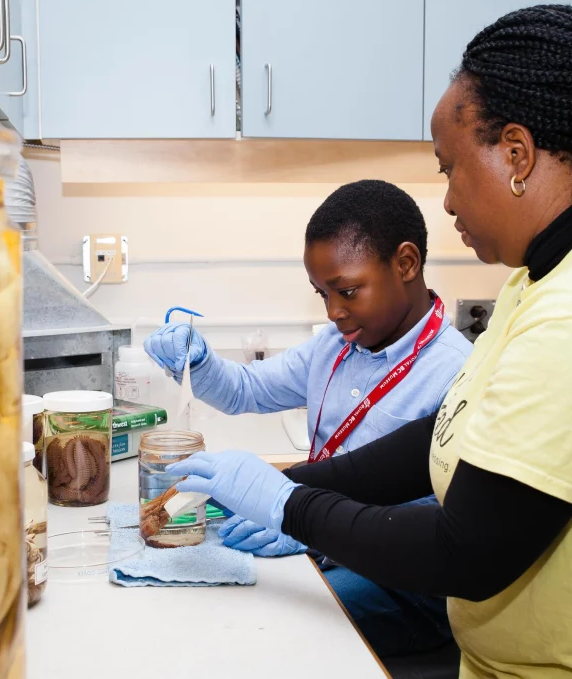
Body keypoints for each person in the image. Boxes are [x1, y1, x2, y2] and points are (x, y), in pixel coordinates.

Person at [168, 5, 572, 677]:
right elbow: (446, 435)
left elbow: (468, 549)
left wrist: (290, 505)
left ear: (516, 153)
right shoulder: (543, 279)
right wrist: (286, 482)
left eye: (448, 167)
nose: (446, 201)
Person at [144, 179, 471, 657]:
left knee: (269, 633)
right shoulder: (336, 345)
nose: (334, 311)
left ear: (406, 263)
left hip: (402, 585)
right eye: (321, 294)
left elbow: (440, 525)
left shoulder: (456, 371)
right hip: (314, 536)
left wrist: (310, 530)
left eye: (347, 290)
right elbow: (246, 390)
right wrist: (197, 360)